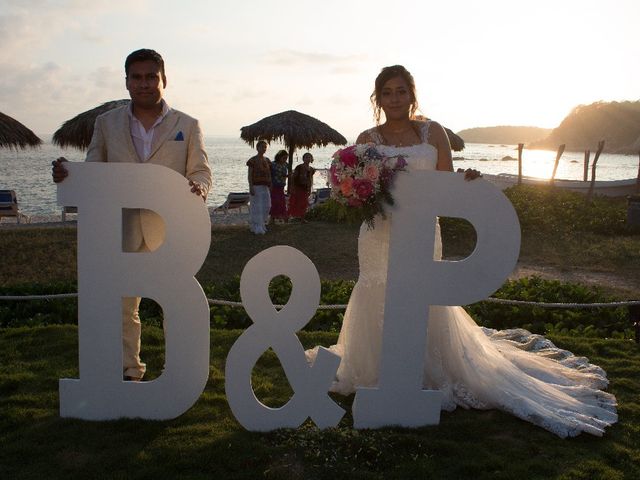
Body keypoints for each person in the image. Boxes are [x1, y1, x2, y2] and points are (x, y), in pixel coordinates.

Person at [307, 65, 617, 437]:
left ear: (412, 94)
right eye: (387, 92)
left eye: (401, 91)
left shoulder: (431, 131)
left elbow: (446, 182)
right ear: (378, 98)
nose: (394, 99)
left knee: (423, 295)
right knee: (378, 288)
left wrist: (465, 182)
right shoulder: (365, 138)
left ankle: (425, 370)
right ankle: (376, 371)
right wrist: (351, 190)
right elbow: (356, 198)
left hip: (421, 235)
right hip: (379, 235)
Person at [51, 48, 212, 381]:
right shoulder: (106, 124)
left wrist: (198, 188)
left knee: (176, 303)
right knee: (124, 305)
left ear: (163, 79)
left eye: (151, 76)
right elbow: (94, 169)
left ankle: (180, 373)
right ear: (126, 82)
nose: (144, 84)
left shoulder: (188, 125)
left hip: (171, 227)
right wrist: (70, 176)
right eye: (136, 77)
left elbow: (201, 172)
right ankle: (129, 370)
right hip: (120, 228)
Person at [246, 140, 272, 234]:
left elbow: (270, 174)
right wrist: (251, 187)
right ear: (257, 148)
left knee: (267, 206)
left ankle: (262, 223)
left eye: (265, 147)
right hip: (256, 186)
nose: (264, 149)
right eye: (262, 147)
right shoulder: (252, 160)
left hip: (266, 186)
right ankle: (257, 226)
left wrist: (270, 185)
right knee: (257, 207)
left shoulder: (268, 160)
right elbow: (250, 175)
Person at [288, 152, 315, 222]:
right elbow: (293, 177)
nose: (308, 159)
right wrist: (292, 187)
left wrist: (310, 188)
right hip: (297, 187)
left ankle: (302, 218)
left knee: (304, 203)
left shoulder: (312, 169)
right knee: (294, 202)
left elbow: (310, 179)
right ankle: (288, 217)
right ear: (303, 159)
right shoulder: (299, 167)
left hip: (305, 188)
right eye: (306, 157)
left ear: (311, 159)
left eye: (309, 157)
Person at [269, 149, 289, 223]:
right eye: (283, 158)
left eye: (286, 158)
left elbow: (286, 174)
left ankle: (283, 217)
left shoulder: (286, 164)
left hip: (281, 186)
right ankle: (272, 218)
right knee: (274, 202)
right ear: (279, 157)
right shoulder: (273, 164)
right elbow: (269, 175)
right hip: (274, 185)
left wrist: (287, 176)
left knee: (282, 202)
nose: (285, 160)